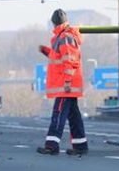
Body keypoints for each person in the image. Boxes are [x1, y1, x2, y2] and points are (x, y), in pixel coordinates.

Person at [37, 9, 88, 155]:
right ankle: (80, 145)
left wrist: (67, 81)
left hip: (66, 85)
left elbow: (70, 61)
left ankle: (51, 145)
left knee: (58, 113)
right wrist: (46, 51)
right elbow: (59, 57)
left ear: (54, 24)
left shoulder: (65, 37)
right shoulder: (65, 37)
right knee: (73, 115)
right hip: (69, 84)